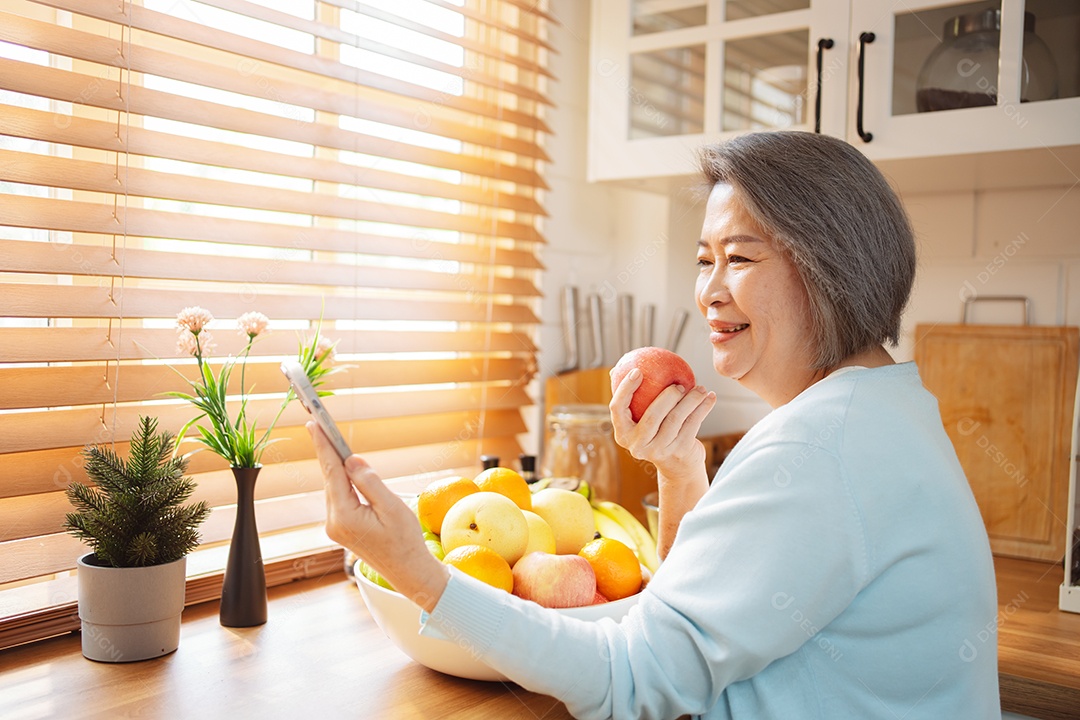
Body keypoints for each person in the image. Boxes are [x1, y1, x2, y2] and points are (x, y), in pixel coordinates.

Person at [311, 131, 1000, 719]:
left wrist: (412, 568)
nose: (709, 291)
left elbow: (634, 683)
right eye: (705, 260)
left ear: (831, 266)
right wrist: (679, 471)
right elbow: (690, 625)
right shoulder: (884, 406)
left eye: (740, 257)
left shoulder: (819, 445)